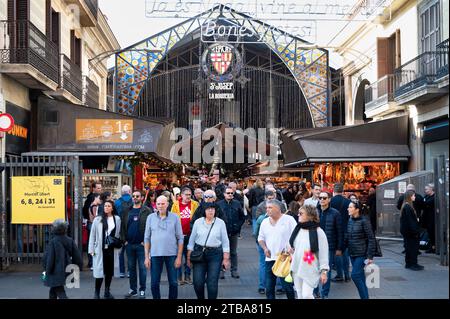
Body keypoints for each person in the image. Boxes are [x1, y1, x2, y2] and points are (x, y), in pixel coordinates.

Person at [187, 203, 230, 299]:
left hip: (215, 254)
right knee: (198, 282)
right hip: (199, 253)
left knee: (212, 282)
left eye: (212, 209)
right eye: (208, 209)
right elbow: (191, 240)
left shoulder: (220, 223)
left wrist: (226, 258)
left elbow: (225, 241)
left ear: (215, 211)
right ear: (204, 211)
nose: (210, 211)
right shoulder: (198, 222)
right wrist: (188, 257)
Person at [144, 196, 184, 299]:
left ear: (167, 204)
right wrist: (146, 257)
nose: (160, 206)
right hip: (155, 254)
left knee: (174, 283)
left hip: (171, 255)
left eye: (163, 204)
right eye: (158, 204)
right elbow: (147, 238)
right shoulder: (150, 217)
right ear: (155, 205)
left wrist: (179, 257)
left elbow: (180, 238)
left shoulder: (175, 217)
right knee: (154, 284)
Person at [258, 199, 297, 300]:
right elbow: (260, 238)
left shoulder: (289, 220)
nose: (267, 210)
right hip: (270, 259)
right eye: (267, 208)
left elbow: (297, 235)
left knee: (287, 287)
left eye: (270, 207)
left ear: (278, 208)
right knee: (269, 287)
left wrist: (292, 247)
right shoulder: (265, 222)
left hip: (285, 258)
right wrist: (265, 248)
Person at [289, 205, 329, 299]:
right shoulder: (297, 229)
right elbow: (292, 244)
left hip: (311, 268)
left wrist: (324, 272)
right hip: (297, 265)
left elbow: (323, 253)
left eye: (301, 213)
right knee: (299, 294)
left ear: (310, 216)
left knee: (306, 295)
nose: (298, 215)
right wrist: (290, 250)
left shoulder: (319, 232)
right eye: (298, 213)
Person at [121, 190, 153, 299]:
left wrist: (147, 241)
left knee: (142, 269)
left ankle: (142, 289)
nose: (135, 198)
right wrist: (124, 240)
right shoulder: (127, 210)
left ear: (142, 198)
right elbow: (122, 227)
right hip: (129, 245)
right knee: (131, 268)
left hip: (142, 246)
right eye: (133, 196)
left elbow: (151, 227)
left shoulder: (147, 210)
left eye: (137, 196)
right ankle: (133, 290)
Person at [88, 200, 121, 299]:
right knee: (99, 273)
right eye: (105, 206)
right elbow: (92, 235)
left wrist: (118, 247)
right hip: (100, 249)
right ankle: (96, 292)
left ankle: (107, 291)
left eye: (108, 206)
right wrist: (91, 249)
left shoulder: (117, 219)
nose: (106, 207)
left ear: (112, 208)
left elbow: (117, 234)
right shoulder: (98, 219)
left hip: (111, 249)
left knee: (109, 272)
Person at [43, 219, 83, 299]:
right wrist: (77, 268)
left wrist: (46, 270)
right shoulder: (69, 240)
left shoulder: (53, 242)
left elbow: (49, 258)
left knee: (60, 291)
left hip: (54, 271)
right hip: (66, 269)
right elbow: (77, 257)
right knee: (53, 290)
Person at [315, 191, 343, 299]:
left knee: (326, 270)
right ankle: (315, 291)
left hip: (329, 247)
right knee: (314, 269)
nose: (322, 200)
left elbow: (340, 231)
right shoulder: (315, 212)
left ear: (329, 199)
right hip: (315, 246)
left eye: (324, 198)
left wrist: (339, 248)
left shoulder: (335, 213)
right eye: (320, 198)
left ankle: (324, 294)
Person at [345, 201, 376, 299]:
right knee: (360, 276)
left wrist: (370, 256)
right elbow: (348, 236)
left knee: (355, 275)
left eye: (350, 207)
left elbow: (371, 238)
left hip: (362, 254)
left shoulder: (364, 221)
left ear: (357, 209)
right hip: (352, 253)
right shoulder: (350, 219)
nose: (348, 209)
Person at [171, 186, 200, 285]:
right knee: (178, 257)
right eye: (186, 195)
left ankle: (188, 276)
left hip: (191, 235)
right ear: (181, 195)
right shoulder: (175, 205)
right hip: (179, 236)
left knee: (189, 257)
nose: (188, 196)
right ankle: (179, 277)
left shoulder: (195, 204)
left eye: (190, 195)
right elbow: (172, 220)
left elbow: (199, 218)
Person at [217, 187, 246, 279]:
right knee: (221, 252)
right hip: (222, 233)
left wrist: (238, 227)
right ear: (224, 194)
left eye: (231, 193)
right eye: (228, 193)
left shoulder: (237, 204)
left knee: (233, 252)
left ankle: (234, 270)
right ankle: (221, 270)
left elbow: (242, 217)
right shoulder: (219, 204)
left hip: (233, 232)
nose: (230, 195)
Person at [330, 183, 351, 283]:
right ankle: (347, 274)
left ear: (333, 190)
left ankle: (339, 274)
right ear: (343, 190)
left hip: (334, 230)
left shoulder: (330, 201)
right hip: (346, 229)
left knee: (337, 253)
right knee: (345, 253)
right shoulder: (348, 201)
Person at [400, 190, 424, 271]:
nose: (415, 197)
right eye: (413, 196)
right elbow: (411, 221)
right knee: (413, 248)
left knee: (409, 247)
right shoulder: (408, 207)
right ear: (410, 197)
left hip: (407, 231)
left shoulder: (406, 206)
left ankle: (409, 263)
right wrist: (416, 231)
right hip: (411, 232)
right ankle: (413, 264)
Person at [423, 184, 436, 254]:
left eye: (427, 189)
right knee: (430, 233)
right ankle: (431, 247)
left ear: (431, 189)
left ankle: (433, 247)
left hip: (433, 219)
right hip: (427, 219)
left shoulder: (434, 197)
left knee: (432, 233)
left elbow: (425, 203)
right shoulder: (427, 196)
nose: (425, 191)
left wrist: (424, 203)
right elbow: (423, 202)